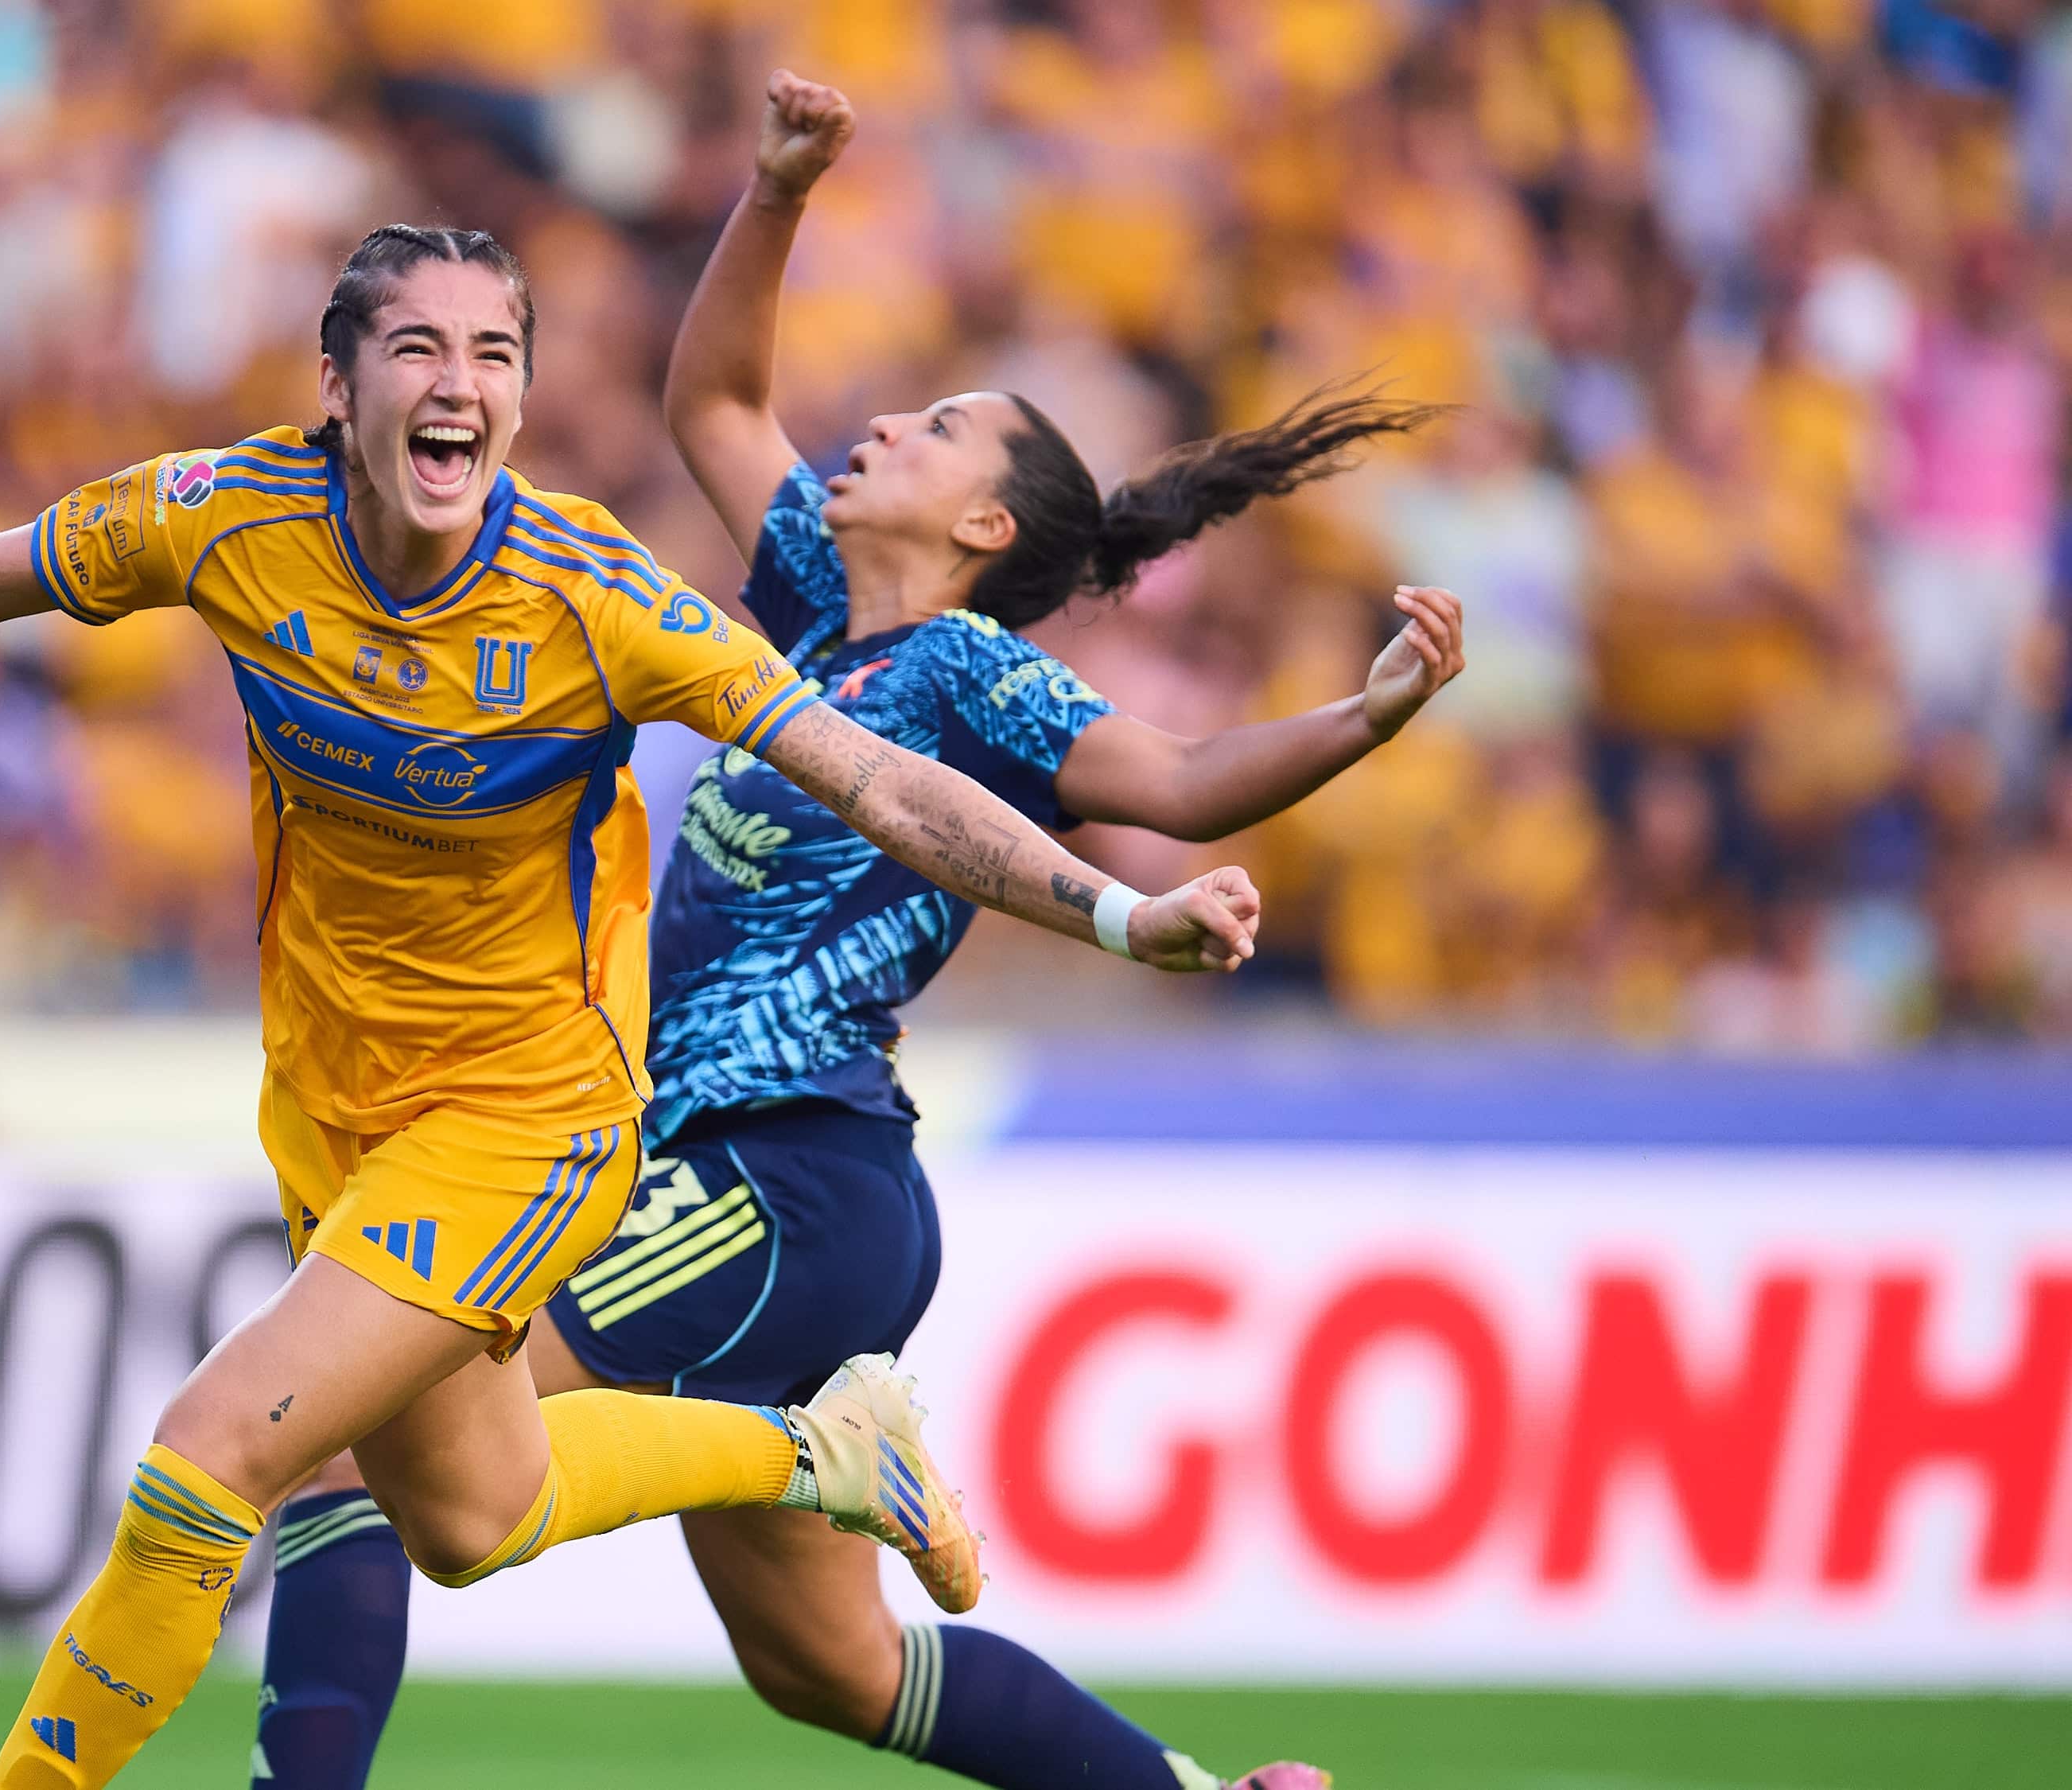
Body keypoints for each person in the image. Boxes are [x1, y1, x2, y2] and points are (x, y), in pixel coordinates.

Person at [0, 220, 1264, 1790]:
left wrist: (1118, 913)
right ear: (337, 386)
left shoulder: (595, 593)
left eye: (494, 354)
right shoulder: (222, 520)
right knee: (473, 1512)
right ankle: (812, 1461)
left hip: (536, 1112)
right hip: (337, 1099)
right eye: (418, 350)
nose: (459, 386)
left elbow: (893, 789)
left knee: (217, 1457)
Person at [246, 75, 1466, 1790]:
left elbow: (1176, 778)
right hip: (747, 1176)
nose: (882, 425)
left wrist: (1366, 714)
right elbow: (714, 395)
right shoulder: (816, 613)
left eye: (939, 427)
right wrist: (776, 190)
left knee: (351, 1447)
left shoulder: (964, 673)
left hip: (775, 1172)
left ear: (983, 529)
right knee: (830, 1671)